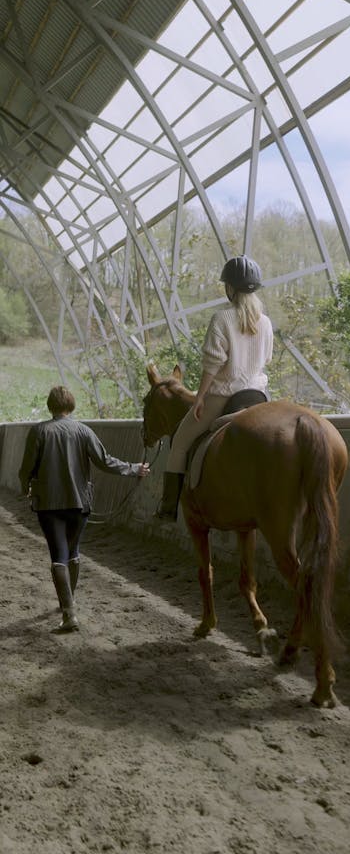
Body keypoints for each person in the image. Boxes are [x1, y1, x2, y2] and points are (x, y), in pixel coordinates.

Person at [18, 386, 150, 633]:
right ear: (72, 405)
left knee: (58, 555)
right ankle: (69, 602)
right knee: (73, 551)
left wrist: (24, 486)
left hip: (48, 503)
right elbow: (105, 461)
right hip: (80, 503)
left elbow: (26, 468)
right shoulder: (84, 431)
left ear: (50, 406)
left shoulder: (39, 431)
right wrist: (135, 469)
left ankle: (69, 613)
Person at [156, 254, 273, 522]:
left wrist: (200, 398)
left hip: (223, 397)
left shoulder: (222, 318)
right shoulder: (265, 322)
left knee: (181, 444)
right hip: (258, 397)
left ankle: (168, 507)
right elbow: (266, 359)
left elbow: (213, 364)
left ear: (229, 288)